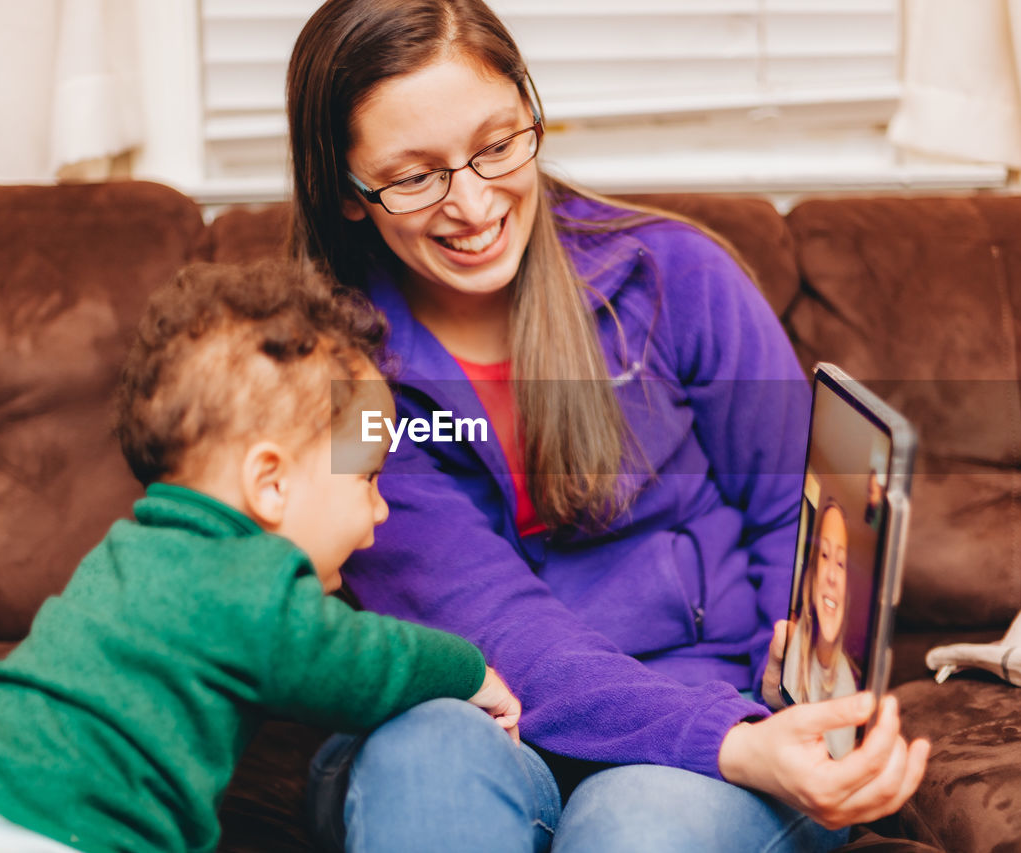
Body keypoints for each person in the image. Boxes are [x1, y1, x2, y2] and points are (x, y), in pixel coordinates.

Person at [286, 1, 930, 850]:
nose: (474, 203)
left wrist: (796, 692)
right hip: (481, 712)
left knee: (635, 825)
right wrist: (734, 744)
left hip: (705, 730)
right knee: (421, 754)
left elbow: (792, 512)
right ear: (347, 191)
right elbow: (496, 626)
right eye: (414, 176)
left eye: (497, 144)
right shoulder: (338, 380)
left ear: (531, 111)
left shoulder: (674, 276)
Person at [0, 261, 520, 853]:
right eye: (368, 478)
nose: (381, 510)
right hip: (58, 828)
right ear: (271, 484)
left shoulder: (131, 551)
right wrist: (470, 672)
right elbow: (362, 661)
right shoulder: (244, 578)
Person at [782, 499, 861, 758]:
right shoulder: (790, 641)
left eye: (841, 563)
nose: (831, 576)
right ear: (811, 574)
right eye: (825, 556)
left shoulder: (847, 688)